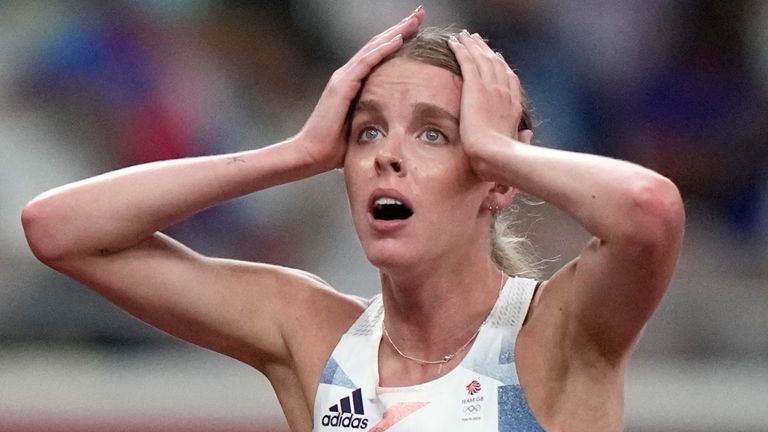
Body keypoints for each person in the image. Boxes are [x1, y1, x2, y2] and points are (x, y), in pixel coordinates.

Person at [21, 6, 684, 431]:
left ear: (500, 181)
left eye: (434, 135)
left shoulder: (560, 330)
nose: (387, 155)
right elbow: (59, 230)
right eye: (367, 133)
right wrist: (293, 154)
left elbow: (649, 212)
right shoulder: (310, 330)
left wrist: (497, 148)